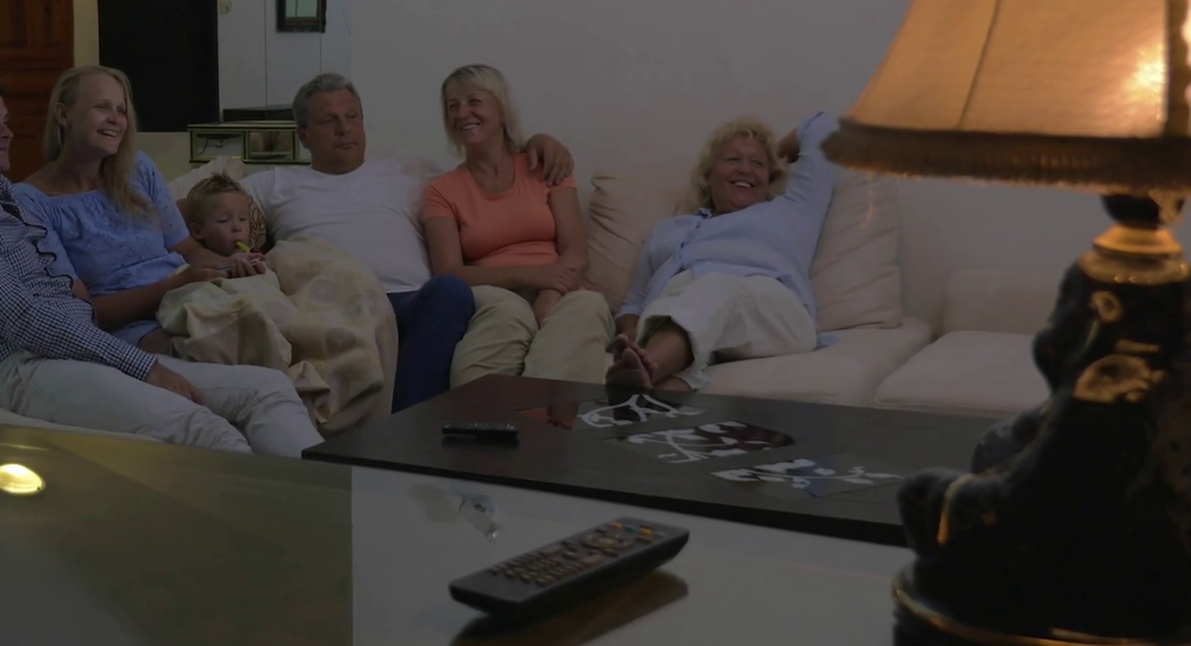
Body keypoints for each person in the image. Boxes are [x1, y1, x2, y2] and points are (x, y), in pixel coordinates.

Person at [0, 70, 322, 455]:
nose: (7, 133)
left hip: (81, 348)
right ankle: (282, 515)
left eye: (6, 121)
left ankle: (338, 501)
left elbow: (69, 291)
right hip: (26, 365)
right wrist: (143, 365)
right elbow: (25, 319)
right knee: (208, 432)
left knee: (268, 388)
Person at [229, 73, 576, 411]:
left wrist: (537, 143)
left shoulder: (411, 170)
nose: (344, 128)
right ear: (303, 135)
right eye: (328, 121)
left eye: (352, 116)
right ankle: (408, 430)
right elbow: (201, 213)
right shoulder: (273, 184)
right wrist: (221, 259)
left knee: (450, 290)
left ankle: (409, 423)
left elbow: (482, 165)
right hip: (331, 306)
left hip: (408, 301)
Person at [14, 66, 261, 354]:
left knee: (271, 310)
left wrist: (230, 264)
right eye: (102, 107)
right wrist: (173, 286)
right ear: (63, 115)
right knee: (216, 347)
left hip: (188, 294)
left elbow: (188, 250)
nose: (115, 119)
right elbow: (81, 312)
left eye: (121, 110)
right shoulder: (31, 202)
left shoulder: (139, 168)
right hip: (128, 326)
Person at [608, 111, 839, 392]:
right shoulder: (668, 230)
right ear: (708, 174)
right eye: (733, 160)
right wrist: (629, 331)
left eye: (756, 163)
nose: (745, 169)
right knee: (676, 310)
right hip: (678, 310)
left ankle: (647, 368)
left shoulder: (791, 211)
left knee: (715, 288)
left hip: (770, 311)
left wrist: (773, 157)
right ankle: (649, 391)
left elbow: (824, 127)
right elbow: (634, 302)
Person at [422, 65, 613, 384]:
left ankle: (539, 412)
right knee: (508, 314)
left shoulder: (546, 166)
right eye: (452, 106)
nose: (462, 113)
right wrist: (530, 275)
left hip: (559, 287)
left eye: (474, 101)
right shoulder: (441, 190)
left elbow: (575, 251)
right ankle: (490, 411)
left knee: (587, 306)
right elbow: (448, 273)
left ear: (501, 107)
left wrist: (550, 292)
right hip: (494, 295)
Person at [184, 174, 263, 261]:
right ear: (198, 231)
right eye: (224, 220)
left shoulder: (255, 253)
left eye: (242, 219)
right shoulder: (195, 264)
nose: (237, 227)